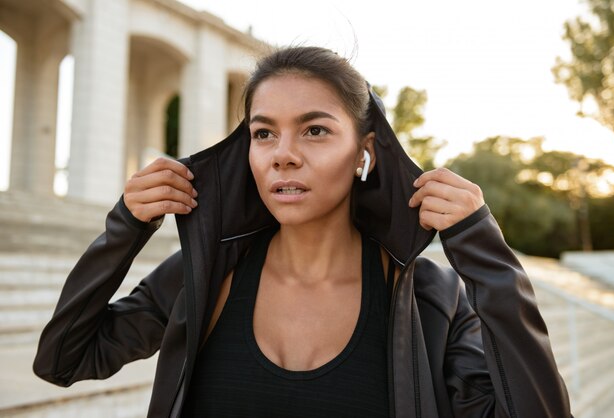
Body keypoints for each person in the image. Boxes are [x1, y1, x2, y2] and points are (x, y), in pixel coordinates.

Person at [33, 46, 571, 417]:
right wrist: (125, 228)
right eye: (264, 133)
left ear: (364, 152)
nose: (283, 155)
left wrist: (483, 251)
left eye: (315, 130)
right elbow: (63, 360)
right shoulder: (206, 275)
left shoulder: (429, 299)